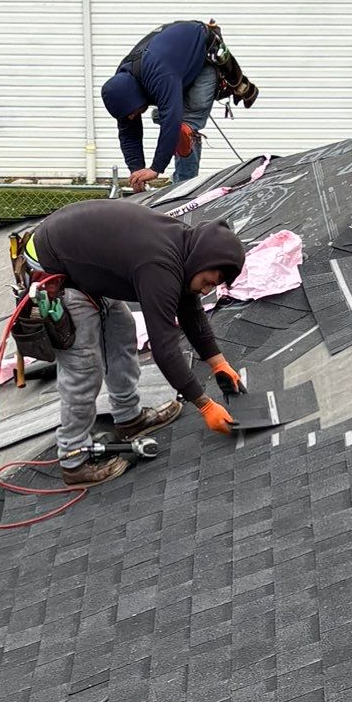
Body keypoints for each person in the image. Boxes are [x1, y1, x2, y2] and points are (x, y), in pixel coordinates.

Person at [20, 200, 248, 487]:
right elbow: (165, 348)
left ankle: (129, 419)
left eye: (211, 287)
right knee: (83, 367)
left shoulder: (189, 251)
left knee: (121, 328)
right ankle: (73, 457)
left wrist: (218, 363)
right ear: (204, 262)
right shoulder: (160, 266)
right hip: (53, 269)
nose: (205, 290)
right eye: (206, 281)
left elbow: (191, 310)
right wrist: (204, 404)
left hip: (83, 259)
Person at [100, 20, 258, 188]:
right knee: (169, 115)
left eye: (131, 113)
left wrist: (156, 168)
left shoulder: (159, 75)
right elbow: (128, 133)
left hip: (203, 53)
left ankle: (184, 186)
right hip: (174, 63)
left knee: (184, 126)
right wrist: (136, 171)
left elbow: (172, 118)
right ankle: (166, 117)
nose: (132, 116)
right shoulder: (121, 85)